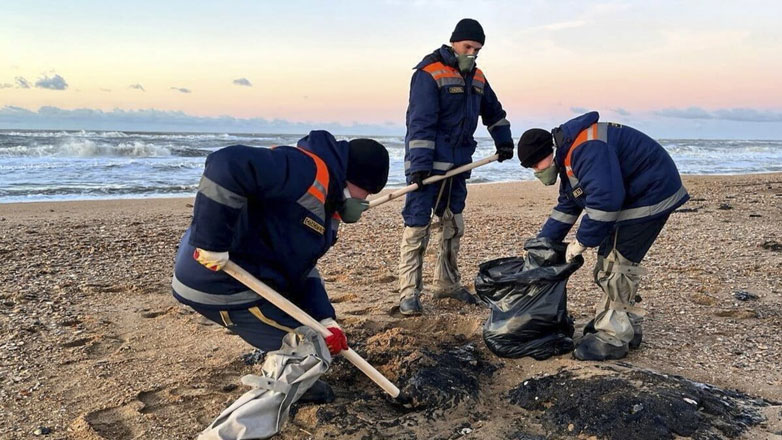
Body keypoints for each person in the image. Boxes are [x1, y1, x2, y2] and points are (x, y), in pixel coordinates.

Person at [172, 130, 389, 402]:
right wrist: (211, 243)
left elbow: (302, 270)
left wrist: (325, 317)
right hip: (219, 280)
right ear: (351, 177)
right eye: (365, 192)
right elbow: (226, 164)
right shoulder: (303, 170)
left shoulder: (328, 207)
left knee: (316, 336)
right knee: (312, 352)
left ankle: (288, 353)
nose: (364, 200)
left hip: (258, 276)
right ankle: (263, 405)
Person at [517, 111, 689, 361]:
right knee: (613, 259)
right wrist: (541, 244)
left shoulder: (586, 150)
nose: (536, 171)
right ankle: (626, 324)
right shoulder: (569, 155)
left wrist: (581, 242)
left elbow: (606, 201)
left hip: (651, 194)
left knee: (615, 264)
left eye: (535, 165)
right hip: (639, 192)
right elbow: (568, 205)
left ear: (547, 154)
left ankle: (613, 337)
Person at [398, 18, 515, 315]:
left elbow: (494, 113)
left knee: (453, 224)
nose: (472, 53)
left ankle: (447, 283)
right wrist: (420, 166)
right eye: (468, 47)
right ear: (454, 42)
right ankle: (409, 293)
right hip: (427, 166)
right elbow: (420, 123)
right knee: (417, 226)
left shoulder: (477, 77)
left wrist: (504, 141)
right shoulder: (429, 73)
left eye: (477, 49)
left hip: (459, 165)